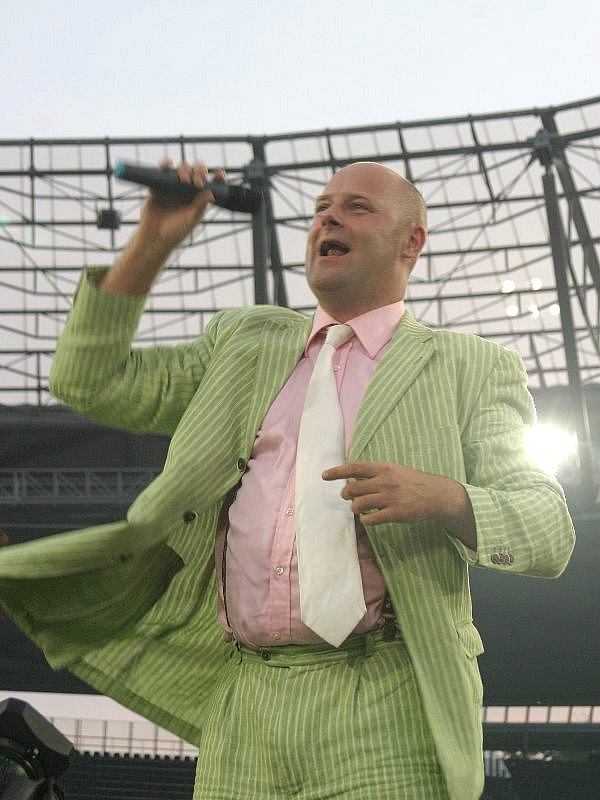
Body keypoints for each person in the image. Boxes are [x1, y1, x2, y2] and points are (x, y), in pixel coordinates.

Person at [0, 161, 575, 800]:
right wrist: (152, 242)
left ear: (411, 241)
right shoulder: (242, 342)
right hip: (244, 700)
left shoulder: (472, 367)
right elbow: (89, 380)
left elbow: (547, 531)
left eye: (357, 207)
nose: (328, 218)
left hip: (387, 700)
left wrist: (444, 496)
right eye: (322, 208)